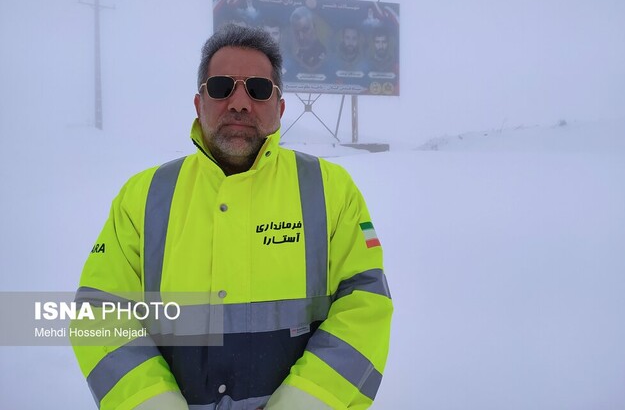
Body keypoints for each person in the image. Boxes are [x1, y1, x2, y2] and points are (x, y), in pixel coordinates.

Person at [72, 24, 393, 410]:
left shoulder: (330, 189)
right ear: (199, 103)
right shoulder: (143, 196)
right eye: (222, 86)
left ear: (280, 107)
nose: (239, 103)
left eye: (257, 89)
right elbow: (99, 311)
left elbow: (365, 304)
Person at [289, 6, 327, 72]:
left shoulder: (322, 53)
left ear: (314, 28)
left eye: (305, 30)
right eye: (297, 32)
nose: (301, 37)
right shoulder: (293, 53)